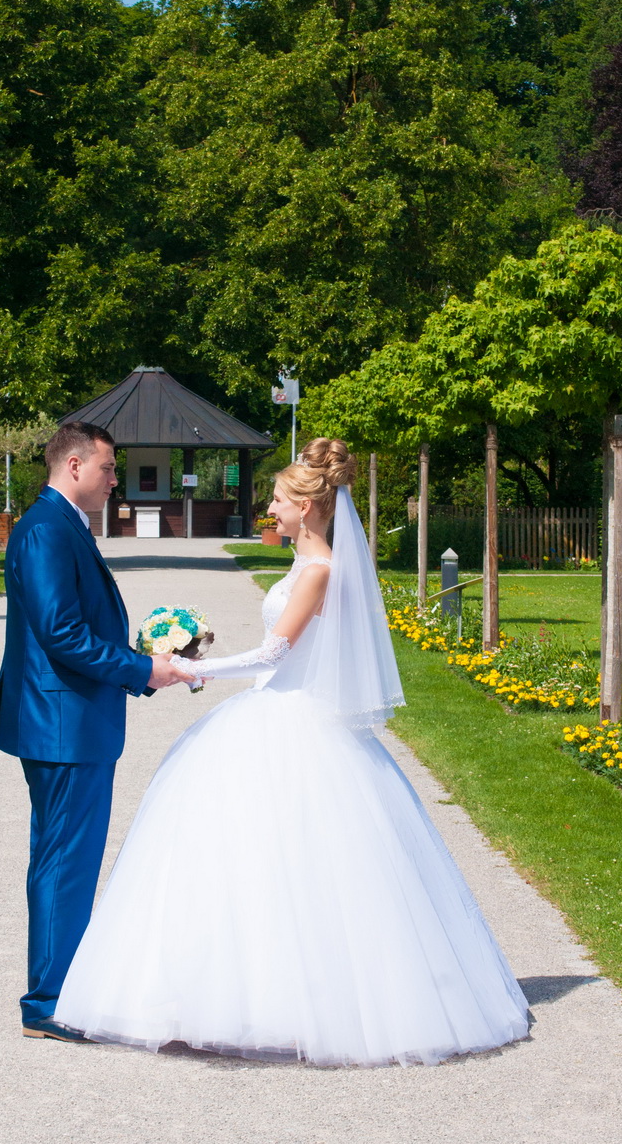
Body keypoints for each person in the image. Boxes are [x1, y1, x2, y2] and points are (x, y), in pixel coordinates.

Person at [54, 438, 529, 1066]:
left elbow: (274, 654)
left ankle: (312, 1006)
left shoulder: (321, 571)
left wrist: (192, 670)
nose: (268, 509)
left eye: (277, 500)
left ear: (307, 507)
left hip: (295, 719)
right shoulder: (303, 567)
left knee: (304, 866)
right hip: (270, 709)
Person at [0, 421, 194, 1041]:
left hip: (70, 720)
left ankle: (60, 989)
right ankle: (48, 1002)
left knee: (64, 858)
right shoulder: (46, 528)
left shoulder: (59, 524)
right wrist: (142, 669)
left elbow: (74, 628)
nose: (113, 481)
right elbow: (61, 635)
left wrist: (146, 656)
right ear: (74, 465)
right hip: (62, 725)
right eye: (107, 469)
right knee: (64, 863)